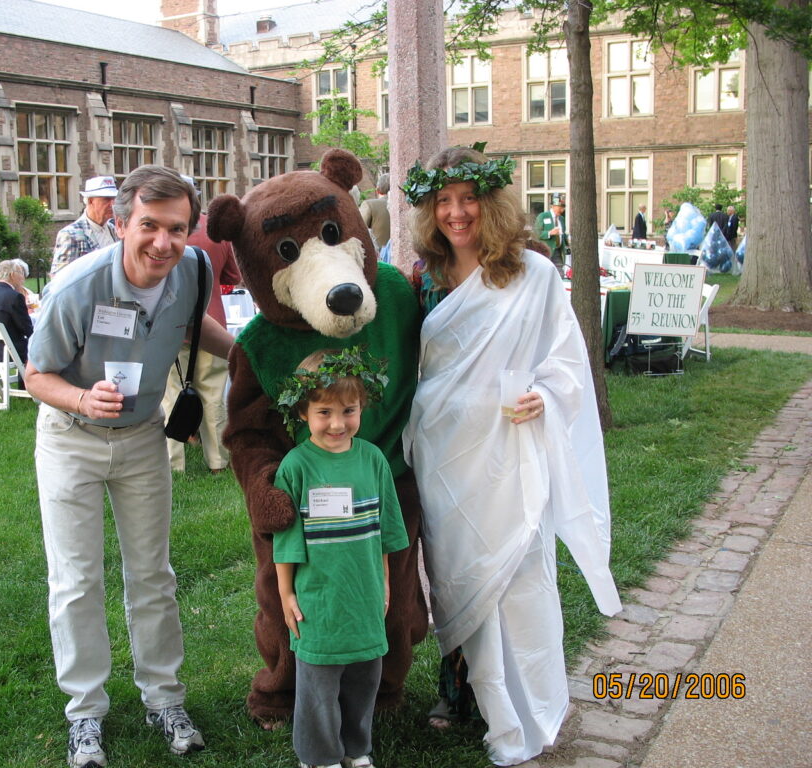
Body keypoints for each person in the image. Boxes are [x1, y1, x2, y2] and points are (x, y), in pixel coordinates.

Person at [400, 146, 622, 766]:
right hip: (447, 455)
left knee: (520, 575)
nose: (455, 212)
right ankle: (464, 695)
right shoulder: (423, 276)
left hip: (511, 451)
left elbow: (566, 358)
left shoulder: (535, 273)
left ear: (491, 202)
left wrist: (544, 395)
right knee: (457, 574)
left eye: (468, 198)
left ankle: (528, 707)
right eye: (442, 201)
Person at [25, 166, 234, 768]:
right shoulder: (77, 287)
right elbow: (35, 375)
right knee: (76, 581)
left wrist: (244, 353)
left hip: (144, 437)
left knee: (153, 574)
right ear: (120, 225)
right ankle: (85, 714)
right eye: (149, 226)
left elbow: (198, 327)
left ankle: (164, 697)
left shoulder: (191, 270)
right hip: (71, 438)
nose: (162, 243)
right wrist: (81, 398)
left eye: (177, 228)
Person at [273, 348, 408, 768]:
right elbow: (287, 540)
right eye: (324, 412)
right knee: (318, 685)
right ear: (302, 412)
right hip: (318, 600)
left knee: (363, 680)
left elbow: (385, 532)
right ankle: (320, 756)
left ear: (362, 406)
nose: (337, 423)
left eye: (348, 410)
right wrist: (285, 594)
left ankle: (356, 748)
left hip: (363, 596)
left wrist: (384, 581)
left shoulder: (373, 460)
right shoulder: (296, 467)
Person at [160, 177, 241, 474]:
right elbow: (232, 276)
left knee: (171, 392)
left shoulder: (162, 233)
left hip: (170, 324)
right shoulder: (214, 231)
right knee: (213, 394)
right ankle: (218, 460)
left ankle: (173, 463)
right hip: (214, 321)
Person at [49, 175, 119, 278]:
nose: (112, 204)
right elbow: (59, 279)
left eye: (114, 199)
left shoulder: (114, 230)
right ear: (91, 201)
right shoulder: (70, 234)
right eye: (106, 199)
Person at [0, 259, 34, 367]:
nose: (23, 278)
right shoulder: (14, 296)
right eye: (21, 274)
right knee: (42, 343)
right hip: (10, 352)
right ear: (13, 275)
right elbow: (27, 329)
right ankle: (28, 382)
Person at [533, 193, 567, 275]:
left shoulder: (562, 219)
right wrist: (549, 233)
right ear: (553, 206)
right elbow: (536, 233)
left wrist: (566, 240)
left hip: (558, 250)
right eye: (560, 207)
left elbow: (563, 233)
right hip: (546, 250)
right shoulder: (543, 216)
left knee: (559, 273)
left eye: (563, 207)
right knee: (545, 272)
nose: (562, 210)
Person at [359, 173, 391, 256]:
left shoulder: (369, 205)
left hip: (377, 257)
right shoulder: (404, 205)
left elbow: (359, 231)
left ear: (378, 190)